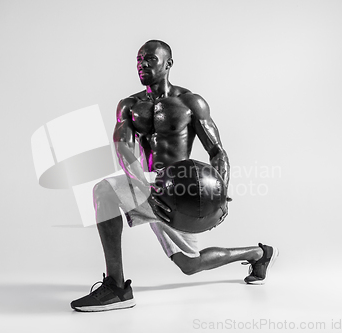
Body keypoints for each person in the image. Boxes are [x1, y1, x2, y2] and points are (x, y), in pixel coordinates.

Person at [70, 40, 278, 312]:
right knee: (103, 190)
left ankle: (258, 253)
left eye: (150, 59)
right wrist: (142, 185)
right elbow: (123, 149)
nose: (142, 64)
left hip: (181, 190)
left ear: (168, 64)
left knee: (190, 265)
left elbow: (217, 151)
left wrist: (220, 196)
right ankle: (116, 288)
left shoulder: (190, 102)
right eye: (138, 59)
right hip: (147, 182)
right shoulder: (130, 106)